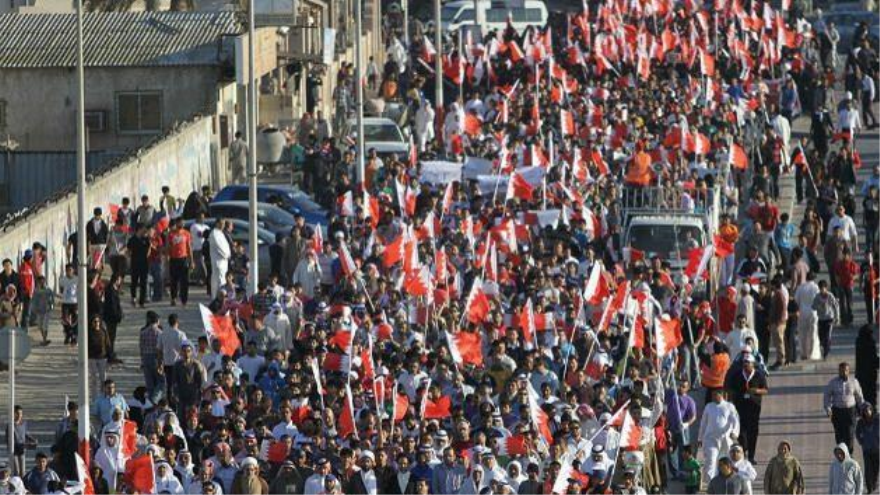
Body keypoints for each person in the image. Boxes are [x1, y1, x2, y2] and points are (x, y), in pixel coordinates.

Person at [725, 355, 768, 464]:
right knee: (742, 430)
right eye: (744, 362)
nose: (746, 365)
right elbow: (730, 389)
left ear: (753, 364)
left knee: (753, 431)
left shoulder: (759, 375)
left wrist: (756, 391)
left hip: (754, 407)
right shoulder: (738, 375)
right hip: (740, 406)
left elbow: (765, 390)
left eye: (748, 363)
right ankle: (743, 451)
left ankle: (751, 456)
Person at [698, 388, 740, 482]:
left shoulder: (729, 406)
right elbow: (703, 423)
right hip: (711, 439)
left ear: (721, 394)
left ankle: (731, 481)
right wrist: (700, 438)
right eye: (712, 395)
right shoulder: (708, 406)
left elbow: (735, 421)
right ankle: (711, 484)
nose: (713, 397)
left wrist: (734, 432)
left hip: (726, 439)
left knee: (728, 461)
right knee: (711, 460)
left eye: (715, 395)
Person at [825, 362, 865, 453]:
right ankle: (841, 455)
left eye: (845, 370)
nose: (843, 372)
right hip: (837, 411)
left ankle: (849, 454)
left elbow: (859, 397)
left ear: (848, 371)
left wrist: (863, 408)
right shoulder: (833, 383)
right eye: (841, 371)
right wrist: (828, 409)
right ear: (838, 371)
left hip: (850, 411)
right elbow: (827, 396)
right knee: (839, 435)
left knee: (850, 434)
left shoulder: (854, 382)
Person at [168, 217, 193, 307]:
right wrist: (167, 257)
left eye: (183, 223)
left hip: (184, 259)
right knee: (173, 280)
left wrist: (191, 261)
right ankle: (173, 298)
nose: (182, 224)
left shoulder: (186, 234)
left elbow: (189, 248)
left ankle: (184, 300)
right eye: (180, 223)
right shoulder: (171, 234)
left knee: (184, 281)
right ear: (177, 223)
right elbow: (168, 246)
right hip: (174, 259)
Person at [813, 280, 841, 360]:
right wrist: (818, 306)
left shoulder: (830, 296)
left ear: (826, 288)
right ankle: (824, 346)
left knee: (827, 335)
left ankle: (826, 351)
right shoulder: (817, 296)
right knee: (821, 336)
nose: (822, 290)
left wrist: (837, 317)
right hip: (821, 319)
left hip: (829, 318)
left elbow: (836, 306)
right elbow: (813, 306)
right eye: (820, 288)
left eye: (823, 288)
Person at [857, 404, 880, 494]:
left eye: (868, 410)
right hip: (867, 450)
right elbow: (857, 433)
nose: (867, 412)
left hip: (878, 450)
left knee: (875, 470)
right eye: (865, 411)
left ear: (871, 410)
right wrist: (861, 441)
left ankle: (874, 484)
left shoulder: (877, 420)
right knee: (868, 470)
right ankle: (869, 488)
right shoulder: (861, 423)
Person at [856, 324, 880, 406]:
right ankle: (871, 411)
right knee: (871, 395)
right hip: (869, 375)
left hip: (860, 374)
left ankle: (862, 409)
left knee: (862, 394)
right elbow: (872, 360)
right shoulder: (870, 343)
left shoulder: (859, 341)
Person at [209, 220, 232, 298]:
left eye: (224, 224)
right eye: (221, 223)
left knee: (221, 282)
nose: (223, 225)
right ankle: (217, 301)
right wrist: (227, 255)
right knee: (219, 283)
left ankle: (219, 300)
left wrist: (228, 254)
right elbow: (220, 248)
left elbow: (226, 246)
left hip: (223, 262)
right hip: (218, 262)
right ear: (217, 223)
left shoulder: (220, 233)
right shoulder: (214, 234)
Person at [30, 276, 53, 347]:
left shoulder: (48, 290)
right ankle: (44, 339)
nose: (42, 283)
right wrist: (34, 309)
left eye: (43, 281)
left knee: (44, 326)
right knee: (40, 326)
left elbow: (52, 300)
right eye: (40, 282)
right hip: (39, 311)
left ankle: (44, 339)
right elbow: (33, 301)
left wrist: (51, 306)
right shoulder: (36, 291)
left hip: (47, 311)